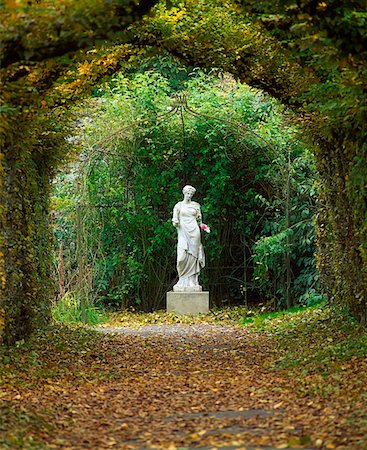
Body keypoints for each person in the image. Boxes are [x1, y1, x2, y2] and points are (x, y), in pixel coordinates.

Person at [172, 185, 205, 291]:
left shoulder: (196, 206)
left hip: (194, 232)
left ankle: (192, 280)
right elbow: (174, 220)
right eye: (187, 193)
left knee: (193, 256)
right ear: (184, 193)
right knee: (181, 258)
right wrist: (175, 223)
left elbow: (200, 221)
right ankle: (182, 280)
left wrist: (205, 227)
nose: (189, 195)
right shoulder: (178, 206)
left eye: (191, 194)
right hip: (183, 232)